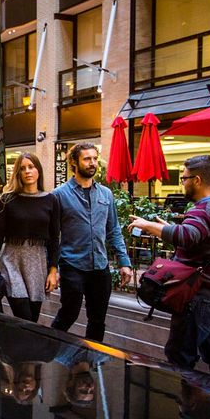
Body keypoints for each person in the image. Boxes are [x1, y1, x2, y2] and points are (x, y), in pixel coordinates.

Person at [128, 155, 210, 381]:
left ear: (197, 180)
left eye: (184, 178)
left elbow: (188, 236)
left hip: (202, 297)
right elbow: (200, 238)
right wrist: (170, 229)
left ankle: (192, 410)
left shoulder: (202, 210)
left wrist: (148, 226)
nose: (183, 183)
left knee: (180, 355)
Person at [51, 143, 132, 342]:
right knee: (68, 314)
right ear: (74, 162)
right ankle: (49, 348)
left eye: (95, 159)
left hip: (100, 266)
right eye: (87, 159)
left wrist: (124, 262)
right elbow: (52, 236)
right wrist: (53, 268)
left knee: (97, 320)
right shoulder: (59, 195)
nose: (92, 163)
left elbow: (113, 230)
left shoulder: (106, 194)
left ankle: (91, 359)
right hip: (72, 265)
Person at [0, 153, 60, 322]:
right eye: (22, 168)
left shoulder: (51, 200)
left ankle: (21, 348)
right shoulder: (8, 199)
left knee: (32, 320)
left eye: (31, 167)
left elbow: (55, 239)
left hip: (38, 263)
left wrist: (53, 271)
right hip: (12, 262)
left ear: (38, 170)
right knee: (23, 316)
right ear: (18, 173)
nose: (27, 171)